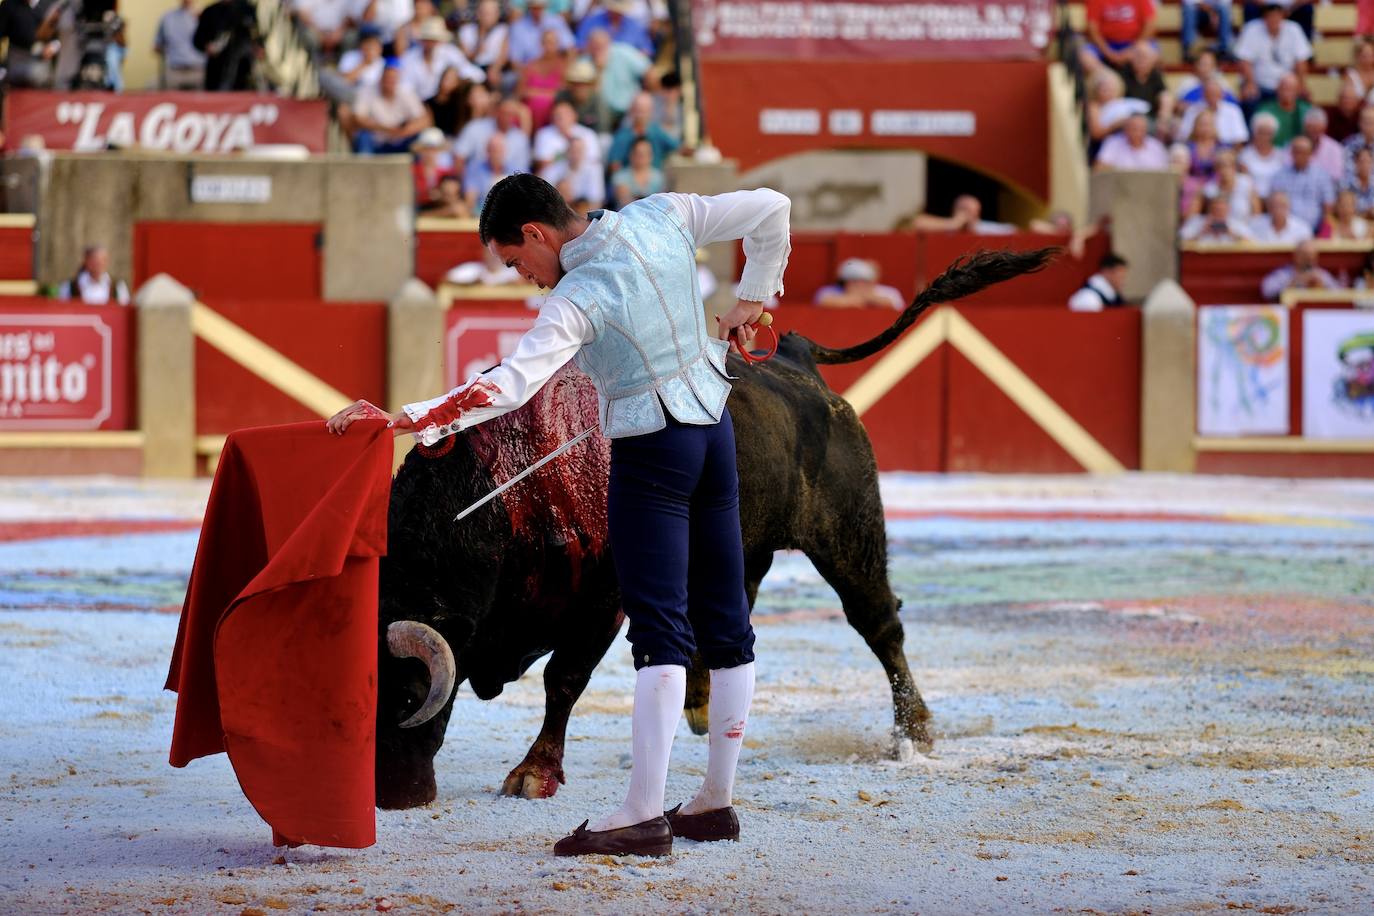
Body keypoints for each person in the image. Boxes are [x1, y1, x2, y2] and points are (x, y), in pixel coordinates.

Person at [327, 173, 792, 858]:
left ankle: (640, 812)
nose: (529, 279)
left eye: (518, 262)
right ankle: (715, 803)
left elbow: (507, 384)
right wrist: (757, 294)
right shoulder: (663, 215)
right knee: (725, 622)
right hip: (713, 433)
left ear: (538, 235)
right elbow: (773, 208)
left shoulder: (579, 296)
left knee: (660, 630)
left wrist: (405, 419)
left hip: (652, 451)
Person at [350, 61, 433, 154]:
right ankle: (363, 166)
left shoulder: (406, 93)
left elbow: (425, 120)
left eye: (393, 79)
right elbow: (357, 118)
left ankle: (419, 167)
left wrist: (404, 131)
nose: (389, 82)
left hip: (402, 140)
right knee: (363, 137)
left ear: (398, 80)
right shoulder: (367, 91)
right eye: (387, 78)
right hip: (376, 140)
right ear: (381, 78)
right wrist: (385, 129)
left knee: (424, 137)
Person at [1235, 3, 1311, 104]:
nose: (1274, 19)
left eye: (1277, 16)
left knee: (1304, 99)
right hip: (1260, 85)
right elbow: (1245, 61)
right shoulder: (1252, 29)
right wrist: (1250, 83)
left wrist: (1301, 84)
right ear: (1264, 18)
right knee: (1249, 97)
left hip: (1286, 86)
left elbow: (1301, 60)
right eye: (1270, 16)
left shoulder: (1294, 29)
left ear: (1283, 16)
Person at [400, 18, 483, 101]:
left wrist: (457, 82)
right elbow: (405, 87)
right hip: (418, 104)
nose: (430, 44)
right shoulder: (409, 57)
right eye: (427, 39)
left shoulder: (450, 53)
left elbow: (475, 74)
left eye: (434, 39)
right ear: (422, 40)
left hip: (447, 103)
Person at [582, 27, 650, 125]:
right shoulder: (584, 63)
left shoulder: (624, 52)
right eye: (594, 45)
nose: (598, 49)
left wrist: (646, 91)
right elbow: (590, 95)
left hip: (629, 110)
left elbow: (648, 71)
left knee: (642, 103)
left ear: (609, 43)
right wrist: (599, 71)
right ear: (588, 46)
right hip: (601, 113)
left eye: (601, 45)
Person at [1271, 135, 1336, 231]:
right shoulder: (1280, 175)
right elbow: (1274, 203)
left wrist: (1324, 229)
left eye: (1303, 152)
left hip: (1315, 229)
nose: (1299, 155)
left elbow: (1328, 204)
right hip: (1286, 229)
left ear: (1310, 154)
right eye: (1296, 152)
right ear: (1291, 153)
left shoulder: (1322, 176)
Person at [193, 0, 259, 91]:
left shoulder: (247, 9)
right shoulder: (210, 12)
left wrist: (257, 48)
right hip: (216, 73)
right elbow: (198, 40)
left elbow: (256, 36)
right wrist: (207, 47)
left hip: (244, 73)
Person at [606, 91, 679, 173]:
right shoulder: (622, 136)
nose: (641, 115)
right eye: (639, 110)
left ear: (651, 111)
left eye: (644, 111)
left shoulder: (656, 131)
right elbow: (614, 165)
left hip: (654, 182)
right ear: (632, 111)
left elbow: (677, 146)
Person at [1081, 0, 1156, 73]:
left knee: (1149, 52)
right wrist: (1109, 54)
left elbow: (1149, 25)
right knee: (1085, 56)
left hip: (1135, 44)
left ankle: (1137, 84)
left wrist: (1131, 51)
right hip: (1104, 44)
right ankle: (1110, 79)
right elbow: (1093, 30)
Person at [0, 0, 60, 88]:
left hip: (40, 64)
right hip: (15, 60)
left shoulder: (49, 5)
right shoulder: (9, 5)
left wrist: (53, 46)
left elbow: (58, 37)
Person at [533, 98, 601, 171]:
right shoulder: (543, 134)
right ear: (552, 117)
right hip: (554, 176)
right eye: (558, 114)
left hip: (580, 174)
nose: (561, 117)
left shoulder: (588, 134)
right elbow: (541, 164)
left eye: (566, 113)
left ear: (575, 115)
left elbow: (594, 160)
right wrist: (566, 154)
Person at [518, 27, 567, 130]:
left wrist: (536, 93)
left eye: (552, 43)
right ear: (541, 44)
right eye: (546, 42)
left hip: (552, 111)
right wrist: (546, 93)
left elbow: (563, 92)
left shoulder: (563, 66)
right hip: (529, 113)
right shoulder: (531, 65)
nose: (549, 46)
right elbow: (521, 91)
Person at [1178, 76, 1250, 146]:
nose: (1212, 97)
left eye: (1215, 94)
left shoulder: (1233, 110)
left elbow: (1240, 139)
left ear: (1222, 95)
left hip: (1226, 152)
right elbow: (1183, 135)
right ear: (1203, 95)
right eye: (1209, 93)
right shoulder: (1193, 110)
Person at [1260, 240, 1340, 300]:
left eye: (1312, 256)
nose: (1309, 259)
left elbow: (1340, 294)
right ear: (1296, 256)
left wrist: (1323, 286)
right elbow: (1267, 290)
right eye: (1305, 255)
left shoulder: (1321, 275)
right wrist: (1294, 283)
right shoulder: (1285, 274)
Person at [1195, 148, 1260, 220]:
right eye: (1220, 166)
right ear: (1216, 169)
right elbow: (1199, 216)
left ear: (1234, 167)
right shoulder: (1209, 189)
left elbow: (1256, 214)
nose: (1224, 169)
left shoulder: (1247, 183)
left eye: (1228, 165)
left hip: (1245, 228)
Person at [813, 258, 905, 309]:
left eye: (864, 281)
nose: (859, 284)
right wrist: (850, 300)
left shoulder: (890, 292)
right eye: (853, 281)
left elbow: (898, 308)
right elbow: (822, 302)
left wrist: (872, 299)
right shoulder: (828, 291)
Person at [541, 135, 605, 208]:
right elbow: (545, 194)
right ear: (567, 152)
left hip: (584, 211)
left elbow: (596, 201)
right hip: (560, 208)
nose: (576, 154)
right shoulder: (556, 167)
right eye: (573, 150)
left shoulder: (594, 170)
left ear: (585, 152)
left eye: (579, 150)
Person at [155, 0, 206, 89]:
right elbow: (158, 45)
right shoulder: (168, 17)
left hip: (198, 70)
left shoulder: (204, 16)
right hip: (175, 70)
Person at [508, 0, 574, 67]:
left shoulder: (557, 21)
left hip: (555, 70)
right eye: (534, 7)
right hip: (529, 71)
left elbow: (570, 49)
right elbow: (515, 60)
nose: (537, 11)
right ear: (529, 7)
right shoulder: (517, 27)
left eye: (540, 7)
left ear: (545, 6)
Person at [1094, 112, 1170, 171]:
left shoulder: (1156, 146)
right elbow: (1099, 168)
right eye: (1133, 128)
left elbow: (1165, 172)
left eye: (1141, 128)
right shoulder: (1113, 143)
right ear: (1125, 128)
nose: (1137, 132)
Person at [463, 132, 516, 213]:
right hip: (480, 215)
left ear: (505, 151)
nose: (497, 154)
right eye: (494, 150)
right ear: (487, 151)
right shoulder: (475, 169)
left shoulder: (516, 170)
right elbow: (470, 201)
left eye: (500, 150)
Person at [556, 57, 613, 133]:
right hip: (564, 136)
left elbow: (602, 129)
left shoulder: (598, 102)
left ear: (591, 85)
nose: (580, 88)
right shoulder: (562, 97)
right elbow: (556, 123)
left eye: (584, 84)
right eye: (576, 83)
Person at [58, 246, 130, 306]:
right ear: (86, 261)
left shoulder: (118, 286)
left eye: (101, 261)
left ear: (106, 262)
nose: (97, 265)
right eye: (94, 261)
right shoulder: (69, 287)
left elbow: (124, 309)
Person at [457, 0, 507, 85]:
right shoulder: (466, 30)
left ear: (497, 14)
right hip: (471, 68)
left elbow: (503, 55)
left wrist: (495, 69)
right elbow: (464, 57)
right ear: (478, 13)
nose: (487, 17)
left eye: (491, 13)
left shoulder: (502, 30)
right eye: (484, 13)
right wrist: (480, 39)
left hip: (491, 68)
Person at [1254, 72, 1310, 146]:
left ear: (1298, 91)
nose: (1287, 93)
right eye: (1284, 88)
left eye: (1291, 89)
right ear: (1277, 90)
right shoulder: (1265, 110)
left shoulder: (1306, 110)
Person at [576, 0, 653, 55]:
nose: (615, 12)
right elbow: (579, 47)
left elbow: (646, 50)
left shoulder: (635, 26)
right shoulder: (591, 21)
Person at [1238, 111, 1285, 196]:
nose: (1264, 137)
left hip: (1274, 197)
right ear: (1255, 133)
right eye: (1261, 133)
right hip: (1252, 197)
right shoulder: (1245, 155)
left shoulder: (1281, 155)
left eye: (1268, 133)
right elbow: (1245, 181)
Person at [609, 136, 664, 208]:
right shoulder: (620, 176)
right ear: (631, 154)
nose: (642, 157)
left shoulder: (658, 177)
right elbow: (625, 202)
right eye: (639, 153)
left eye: (645, 153)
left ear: (651, 155)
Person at [1179, 194, 1254, 242]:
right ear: (1209, 209)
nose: (1218, 213)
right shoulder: (1196, 222)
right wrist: (1201, 233)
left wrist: (1232, 234)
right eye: (1215, 210)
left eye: (1221, 210)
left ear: (1228, 210)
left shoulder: (1237, 224)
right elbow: (1180, 241)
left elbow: (1252, 243)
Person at [1248, 189, 1313, 242]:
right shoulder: (1255, 225)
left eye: (1282, 206)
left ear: (1289, 206)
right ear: (1268, 207)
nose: (1278, 209)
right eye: (1274, 206)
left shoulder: (1301, 228)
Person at [1301, 108, 1344, 183]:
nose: (1313, 132)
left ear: (1324, 128)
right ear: (1305, 127)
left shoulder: (1334, 148)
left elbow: (1336, 176)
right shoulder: (1294, 145)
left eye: (1317, 128)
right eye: (1311, 128)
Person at [1344, 146, 1374, 216]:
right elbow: (1345, 208)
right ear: (1356, 164)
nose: (1365, 165)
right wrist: (1367, 212)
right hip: (1352, 221)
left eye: (1368, 162)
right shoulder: (1346, 183)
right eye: (1362, 162)